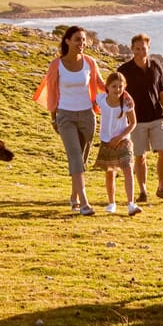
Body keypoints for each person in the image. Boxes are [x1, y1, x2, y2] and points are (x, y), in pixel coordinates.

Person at [33, 25, 104, 216]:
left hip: (88, 116)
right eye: (77, 39)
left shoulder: (90, 62)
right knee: (74, 157)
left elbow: (101, 85)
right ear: (67, 41)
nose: (82, 43)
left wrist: (122, 93)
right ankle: (84, 203)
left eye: (83, 40)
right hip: (65, 115)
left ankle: (74, 197)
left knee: (81, 160)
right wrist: (53, 118)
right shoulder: (56, 64)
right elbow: (51, 93)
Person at [117, 34, 163, 204]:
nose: (141, 51)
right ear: (132, 49)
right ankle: (142, 191)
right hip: (136, 120)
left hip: (157, 117)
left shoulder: (156, 66)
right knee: (140, 156)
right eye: (137, 48)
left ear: (148, 48)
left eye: (144, 48)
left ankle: (161, 188)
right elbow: (118, 94)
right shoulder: (124, 71)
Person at [93, 72, 142, 216]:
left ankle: (131, 204)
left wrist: (120, 137)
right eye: (114, 86)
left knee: (127, 168)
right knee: (110, 173)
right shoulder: (101, 99)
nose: (117, 89)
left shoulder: (126, 104)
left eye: (121, 87)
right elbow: (92, 103)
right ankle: (111, 203)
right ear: (107, 87)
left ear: (125, 87)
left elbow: (133, 123)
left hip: (123, 140)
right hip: (106, 141)